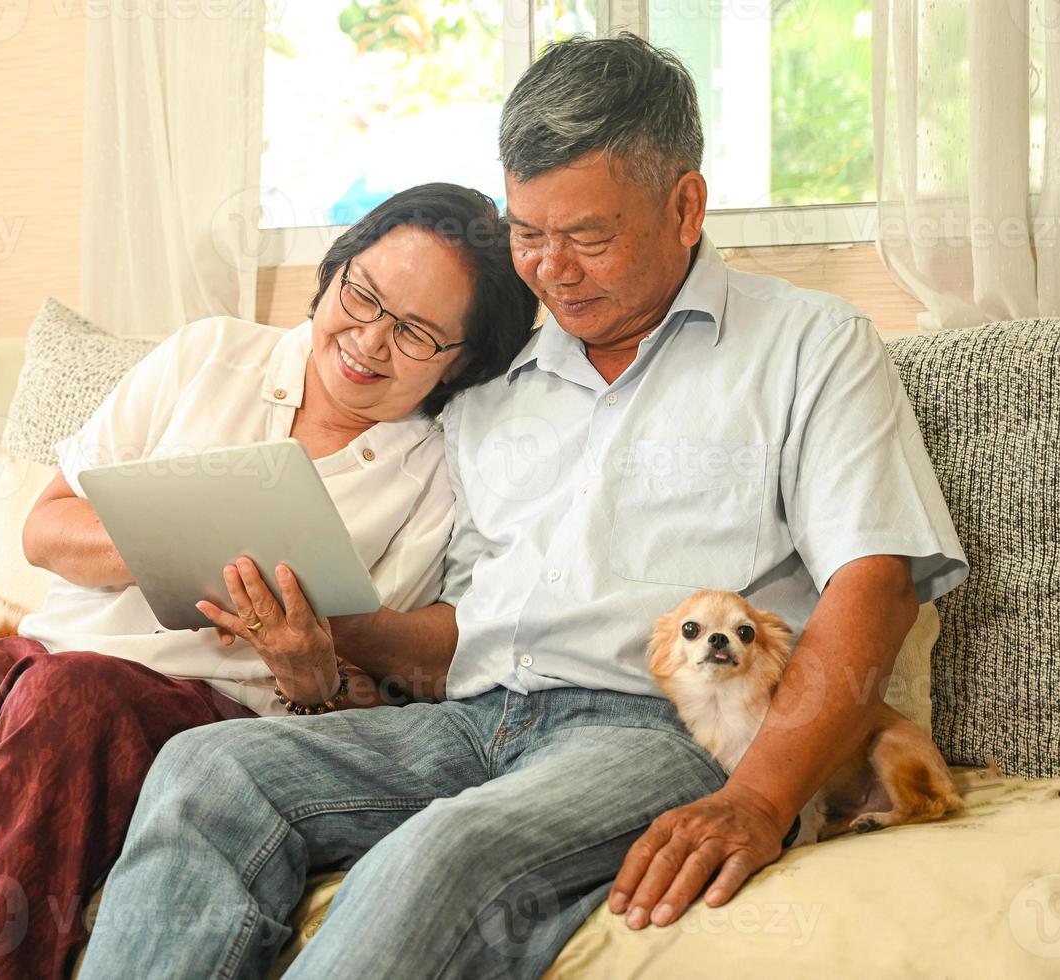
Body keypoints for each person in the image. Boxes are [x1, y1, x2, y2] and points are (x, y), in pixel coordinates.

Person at [76, 34, 970, 979]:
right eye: (526, 232)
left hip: (654, 732)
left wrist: (758, 797)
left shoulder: (809, 348)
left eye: (586, 235)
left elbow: (875, 585)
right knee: (206, 770)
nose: (549, 270)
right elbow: (455, 634)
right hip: (468, 720)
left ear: (685, 205)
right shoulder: (492, 387)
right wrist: (324, 626)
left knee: (440, 852)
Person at [0, 182, 540, 980]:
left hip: (207, 708)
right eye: (360, 296)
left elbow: (397, 682)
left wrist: (315, 655)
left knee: (73, 701)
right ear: (333, 273)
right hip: (42, 656)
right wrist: (176, 540)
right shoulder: (210, 355)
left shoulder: (436, 469)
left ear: (460, 361)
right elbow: (46, 527)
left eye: (414, 333)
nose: (369, 340)